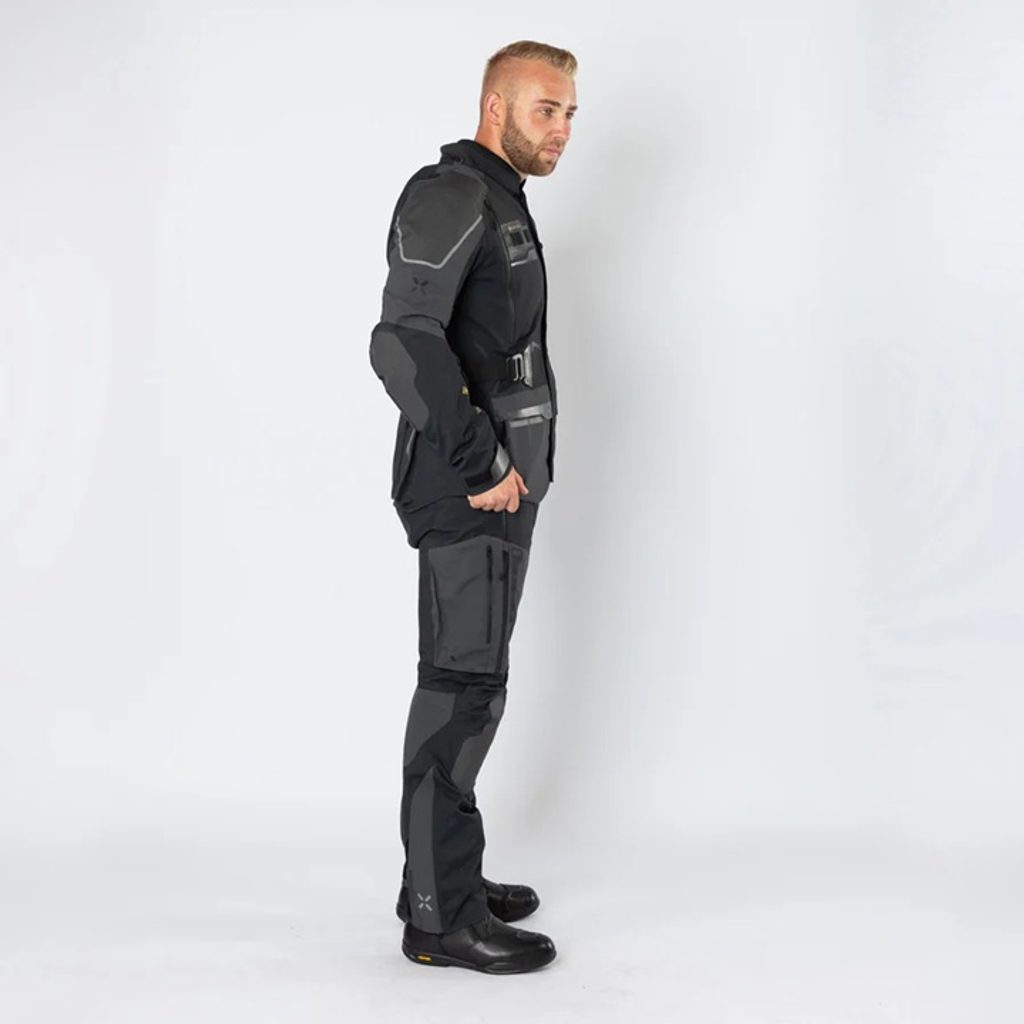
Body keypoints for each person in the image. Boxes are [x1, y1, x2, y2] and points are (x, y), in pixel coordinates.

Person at [368, 39, 578, 974]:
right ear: (496, 107)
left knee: (474, 687)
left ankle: (441, 871)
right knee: (460, 692)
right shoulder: (451, 193)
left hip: (502, 489)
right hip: (469, 489)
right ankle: (438, 918)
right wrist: (480, 459)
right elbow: (401, 341)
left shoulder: (501, 199)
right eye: (545, 109)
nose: (562, 129)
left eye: (569, 113)